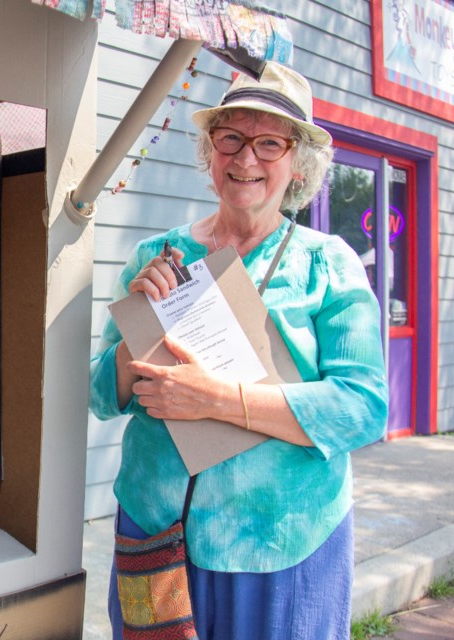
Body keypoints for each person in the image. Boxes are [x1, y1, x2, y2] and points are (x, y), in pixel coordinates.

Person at [89, 62, 388, 639]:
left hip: (279, 544)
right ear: (210, 151)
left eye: (269, 143)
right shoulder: (158, 254)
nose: (245, 158)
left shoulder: (327, 264)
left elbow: (362, 407)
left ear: (298, 163)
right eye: (231, 137)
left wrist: (218, 400)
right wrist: (136, 333)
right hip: (156, 533)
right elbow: (101, 394)